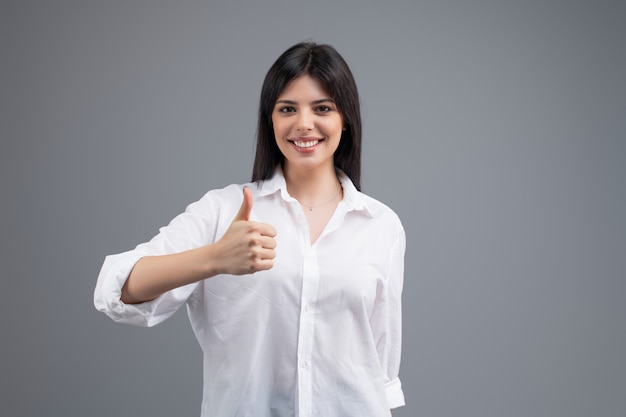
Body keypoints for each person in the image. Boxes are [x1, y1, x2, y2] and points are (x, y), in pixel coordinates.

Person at [94, 41, 406, 417]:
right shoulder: (224, 210)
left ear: (346, 119)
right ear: (270, 120)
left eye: (322, 108)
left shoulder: (380, 225)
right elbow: (116, 289)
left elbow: (380, 368)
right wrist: (213, 258)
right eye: (287, 109)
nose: (304, 123)